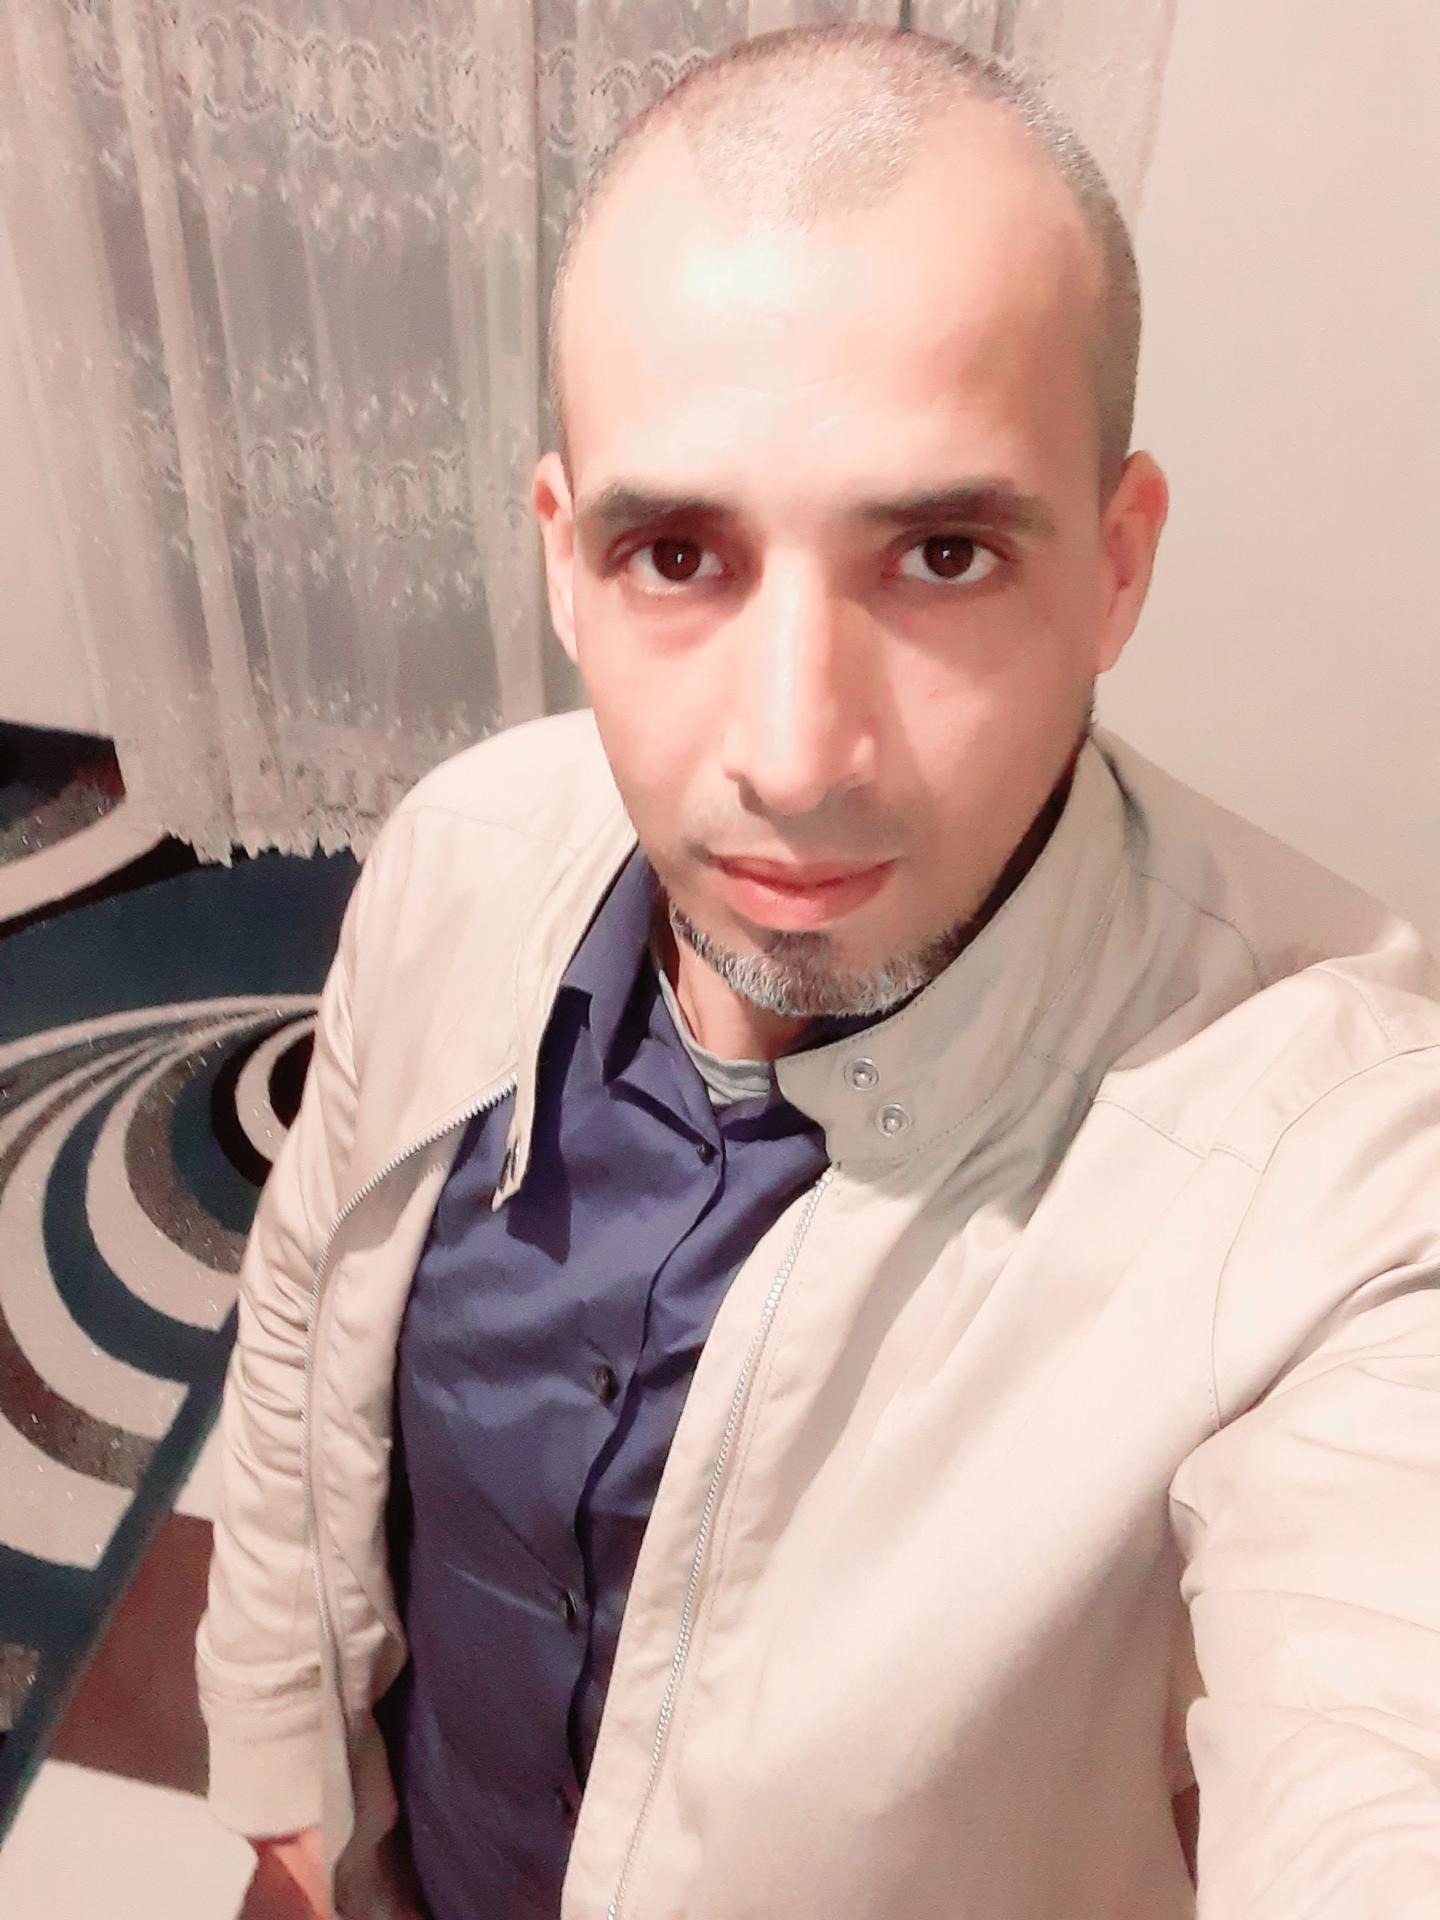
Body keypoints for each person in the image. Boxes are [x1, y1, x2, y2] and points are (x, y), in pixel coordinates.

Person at [195, 24, 1440, 1920]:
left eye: (940, 554)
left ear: (1115, 568)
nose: (792, 755)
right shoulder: (463, 848)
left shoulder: (1337, 1173)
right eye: (677, 555)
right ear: (565, 562)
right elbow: (304, 1313)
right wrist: (288, 1798)